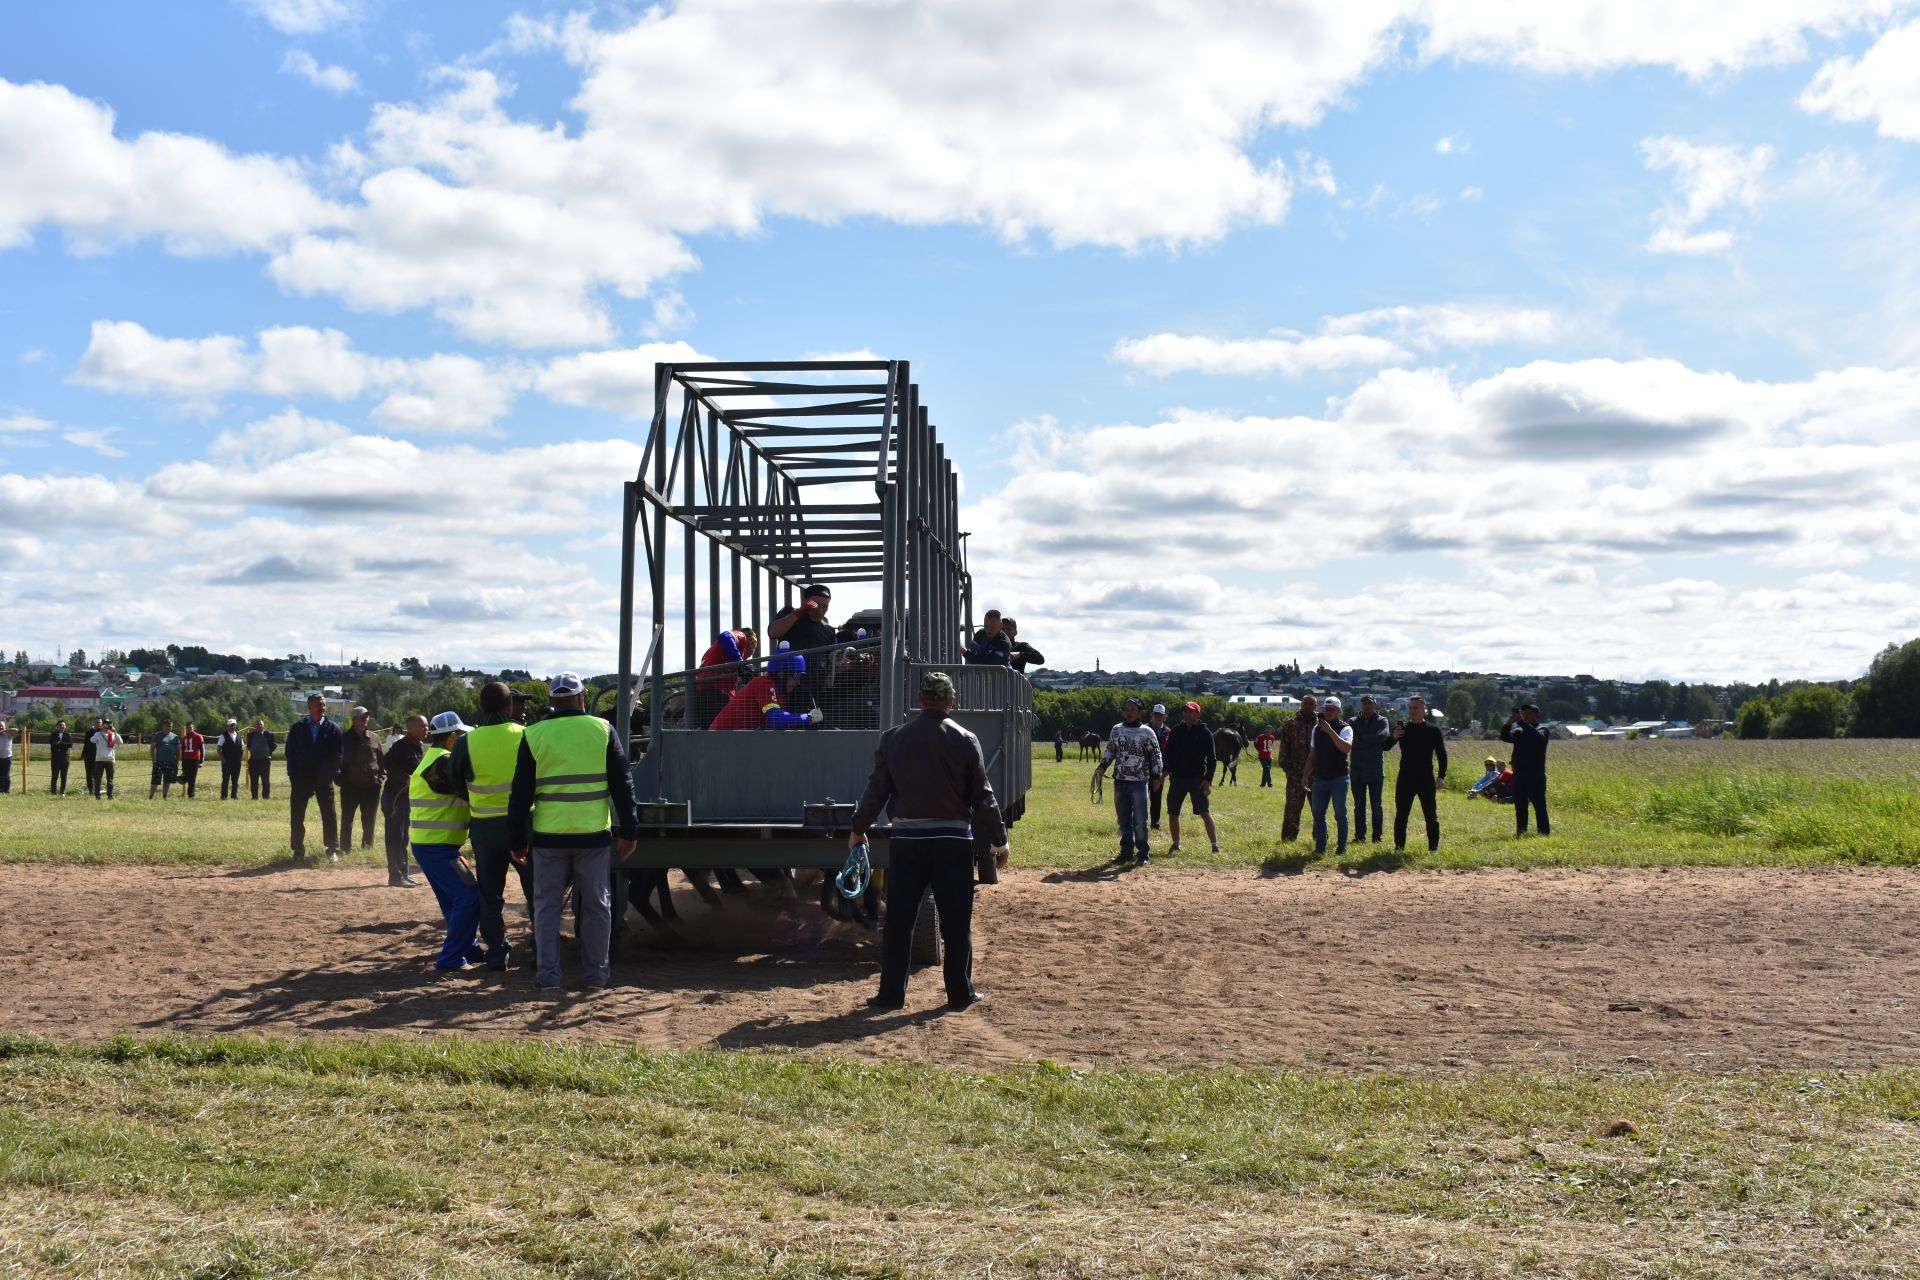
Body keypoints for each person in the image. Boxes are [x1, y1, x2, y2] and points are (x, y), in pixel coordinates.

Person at [852, 669, 1009, 1013]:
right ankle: (959, 994)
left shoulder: (893, 739)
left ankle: (890, 996)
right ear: (951, 702)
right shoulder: (966, 739)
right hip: (953, 843)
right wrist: (999, 840)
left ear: (920, 701)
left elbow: (876, 789)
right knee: (956, 923)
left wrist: (858, 827)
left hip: (907, 842)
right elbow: (983, 796)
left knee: (899, 922)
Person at [507, 671, 640, 992]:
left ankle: (548, 977)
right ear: (582, 699)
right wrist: (629, 830)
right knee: (597, 906)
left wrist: (516, 839)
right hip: (592, 836)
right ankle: (596, 977)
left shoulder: (534, 734)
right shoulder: (602, 729)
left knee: (547, 907)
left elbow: (520, 794)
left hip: (548, 838)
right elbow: (623, 785)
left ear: (552, 702)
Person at [442, 681, 531, 969]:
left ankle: (497, 953)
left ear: (481, 707)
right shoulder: (526, 735)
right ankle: (542, 950)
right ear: (509, 706)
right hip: (525, 828)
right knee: (537, 891)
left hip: (485, 829)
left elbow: (455, 781)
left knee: (490, 894)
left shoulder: (468, 742)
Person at [408, 710, 483, 971]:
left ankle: (470, 949)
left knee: (454, 901)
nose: (464, 741)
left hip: (428, 843)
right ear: (451, 737)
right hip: (438, 846)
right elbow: (469, 790)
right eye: (461, 736)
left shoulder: (433, 758)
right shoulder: (445, 762)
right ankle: (452, 958)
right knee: (469, 896)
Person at [1092, 696, 1162, 866]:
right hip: (1120, 781)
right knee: (1123, 821)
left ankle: (1143, 854)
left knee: (1140, 821)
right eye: (1127, 709)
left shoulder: (1147, 732)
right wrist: (1102, 767)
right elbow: (1110, 751)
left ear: (1139, 712)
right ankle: (1126, 852)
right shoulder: (1116, 730)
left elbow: (1156, 755)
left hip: (1139, 782)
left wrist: (1156, 776)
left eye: (1132, 710)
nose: (1129, 712)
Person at [285, 693, 343, 863]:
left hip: (324, 780)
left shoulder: (333, 729)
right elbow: (290, 752)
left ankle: (331, 849)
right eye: (318, 704)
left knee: (329, 814)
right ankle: (297, 850)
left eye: (323, 704)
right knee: (297, 815)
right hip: (301, 779)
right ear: (309, 707)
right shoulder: (298, 728)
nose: (322, 707)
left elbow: (338, 755)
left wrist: (330, 775)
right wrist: (293, 776)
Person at [1387, 695, 1449, 853]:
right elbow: (1385, 746)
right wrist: (1394, 736)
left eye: (1416, 708)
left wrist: (1441, 776)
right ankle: (1399, 848)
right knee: (1401, 814)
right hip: (1405, 777)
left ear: (1424, 710)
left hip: (1425, 777)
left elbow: (1442, 754)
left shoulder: (1433, 730)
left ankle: (1433, 849)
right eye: (1410, 708)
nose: (1412, 711)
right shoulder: (1402, 729)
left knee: (1430, 814)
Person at [709, 649, 824, 729]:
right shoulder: (764, 683)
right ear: (781, 674)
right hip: (720, 737)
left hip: (733, 738)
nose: (798, 682)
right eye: (796, 676)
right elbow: (776, 719)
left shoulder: (780, 692)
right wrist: (809, 717)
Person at [768, 583, 836, 712]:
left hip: (816, 690)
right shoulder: (791, 613)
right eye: (816, 605)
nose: (820, 611)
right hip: (787, 687)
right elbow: (773, 632)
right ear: (806, 602)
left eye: (825, 606)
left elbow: (833, 659)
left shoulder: (828, 629)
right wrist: (799, 612)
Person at [1163, 701, 1220, 855]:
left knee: (1204, 812)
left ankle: (1215, 845)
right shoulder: (1176, 731)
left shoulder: (1205, 732)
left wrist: (1207, 780)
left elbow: (1212, 759)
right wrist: (1165, 771)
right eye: (1185, 712)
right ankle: (1176, 844)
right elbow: (1169, 754)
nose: (1187, 715)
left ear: (1197, 714)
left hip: (1197, 780)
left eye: (1191, 712)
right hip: (1177, 779)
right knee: (1173, 813)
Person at [381, 714, 427, 888]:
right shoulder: (401, 746)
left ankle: (404, 873)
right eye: (422, 726)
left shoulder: (418, 747)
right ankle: (394, 876)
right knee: (395, 837)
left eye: (427, 726)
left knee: (403, 837)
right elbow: (386, 763)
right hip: (394, 798)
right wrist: (404, 778)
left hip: (406, 799)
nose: (426, 729)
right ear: (412, 728)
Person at [1305, 695, 1354, 857]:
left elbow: (1346, 748)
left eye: (1332, 709)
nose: (1329, 712)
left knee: (1340, 814)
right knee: (1318, 814)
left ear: (1339, 711)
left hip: (1339, 777)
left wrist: (1330, 731)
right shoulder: (1315, 729)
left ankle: (1341, 848)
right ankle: (1320, 848)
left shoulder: (1345, 728)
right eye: (1326, 709)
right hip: (1320, 777)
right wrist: (1305, 775)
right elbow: (1313, 753)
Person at [338, 706, 386, 854]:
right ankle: (345, 849)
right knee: (347, 819)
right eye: (362, 717)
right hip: (350, 786)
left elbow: (382, 760)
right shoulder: (343, 738)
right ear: (354, 720)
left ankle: (367, 849)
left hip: (371, 786)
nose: (366, 719)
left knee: (369, 820)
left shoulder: (374, 737)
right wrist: (340, 780)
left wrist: (380, 778)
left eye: (367, 717)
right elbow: (336, 761)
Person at [1500, 703, 1552, 836]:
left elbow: (1537, 737)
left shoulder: (1542, 730)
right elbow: (1504, 737)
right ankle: (1521, 832)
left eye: (1528, 714)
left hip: (1535, 776)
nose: (1525, 717)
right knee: (1520, 807)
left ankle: (1544, 833)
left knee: (1539, 806)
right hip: (1519, 775)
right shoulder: (1519, 731)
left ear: (1536, 715)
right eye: (1523, 714)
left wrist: (1521, 722)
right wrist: (1509, 723)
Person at [692, 627, 757, 728]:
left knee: (708, 734)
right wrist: (741, 664)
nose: (750, 655)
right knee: (725, 732)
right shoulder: (743, 636)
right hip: (716, 694)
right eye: (754, 648)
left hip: (702, 694)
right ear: (752, 643)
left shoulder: (712, 651)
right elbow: (725, 636)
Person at [1349, 696, 1392, 844]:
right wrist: (1371, 740)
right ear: (1361, 705)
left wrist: (1361, 737)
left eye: (1369, 703)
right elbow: (1350, 741)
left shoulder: (1382, 721)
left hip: (1375, 770)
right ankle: (1360, 837)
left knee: (1376, 806)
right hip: (1357, 770)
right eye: (1364, 703)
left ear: (1375, 705)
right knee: (1359, 806)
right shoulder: (1352, 721)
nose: (1367, 706)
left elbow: (1383, 736)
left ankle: (1377, 838)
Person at [1275, 694, 1317, 841]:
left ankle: (1319, 838)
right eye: (1305, 703)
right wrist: (1289, 769)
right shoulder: (1291, 724)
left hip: (1315, 773)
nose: (1308, 706)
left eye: (1311, 704)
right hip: (1295, 773)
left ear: (1315, 706)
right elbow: (1284, 749)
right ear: (1301, 704)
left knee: (1318, 808)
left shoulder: (1321, 724)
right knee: (1292, 807)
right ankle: (1288, 837)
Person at [1146, 704, 1172, 830]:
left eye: (1160, 715)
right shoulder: (1143, 729)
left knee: (1156, 799)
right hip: (1143, 770)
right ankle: (1140, 822)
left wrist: (1166, 770)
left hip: (1160, 771)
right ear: (1152, 715)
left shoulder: (1168, 732)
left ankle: (1155, 823)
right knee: (1141, 798)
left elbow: (1171, 753)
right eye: (1156, 714)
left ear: (1164, 717)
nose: (1157, 717)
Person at [148, 719, 181, 800]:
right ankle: (151, 797)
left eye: (170, 726)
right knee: (155, 780)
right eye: (167, 726)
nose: (169, 728)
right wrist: (154, 761)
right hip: (159, 761)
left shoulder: (175, 737)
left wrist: (177, 761)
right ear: (163, 726)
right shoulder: (157, 735)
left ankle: (164, 796)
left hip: (170, 762)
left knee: (167, 780)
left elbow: (178, 750)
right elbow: (152, 748)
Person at [90, 718, 121, 799]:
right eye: (105, 724)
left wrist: (115, 731)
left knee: (110, 779)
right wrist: (98, 732)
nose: (107, 725)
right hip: (100, 759)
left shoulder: (113, 734)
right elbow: (92, 740)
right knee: (98, 778)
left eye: (109, 724)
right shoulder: (98, 734)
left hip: (110, 759)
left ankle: (110, 795)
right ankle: (97, 795)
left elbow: (120, 742)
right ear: (102, 725)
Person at [246, 718, 277, 799]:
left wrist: (268, 753)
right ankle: (254, 797)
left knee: (265, 780)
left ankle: (266, 797)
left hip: (265, 761)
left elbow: (274, 745)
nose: (259, 726)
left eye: (261, 724)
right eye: (257, 724)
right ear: (255, 726)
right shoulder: (250, 735)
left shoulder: (269, 734)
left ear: (263, 726)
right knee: (254, 780)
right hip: (253, 761)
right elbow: (249, 746)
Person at [217, 719, 244, 800]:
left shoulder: (239, 735)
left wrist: (240, 758)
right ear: (227, 726)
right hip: (227, 761)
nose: (232, 726)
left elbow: (242, 747)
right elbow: (218, 749)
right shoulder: (223, 735)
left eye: (234, 725)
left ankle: (234, 796)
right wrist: (223, 760)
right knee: (225, 779)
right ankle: (224, 796)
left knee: (235, 780)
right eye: (231, 725)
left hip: (237, 762)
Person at [178, 721, 206, 798]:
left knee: (192, 778)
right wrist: (182, 762)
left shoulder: (198, 736)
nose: (189, 729)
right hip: (186, 760)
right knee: (185, 777)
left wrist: (201, 762)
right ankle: (186, 794)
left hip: (194, 760)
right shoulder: (184, 738)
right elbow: (183, 751)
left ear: (193, 727)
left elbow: (202, 749)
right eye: (187, 728)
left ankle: (191, 795)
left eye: (190, 727)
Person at [47, 719, 73, 795]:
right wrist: (62, 745)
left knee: (64, 776)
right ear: (57, 727)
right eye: (60, 725)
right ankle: (53, 792)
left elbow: (70, 744)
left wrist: (60, 743)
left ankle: (62, 792)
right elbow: (52, 743)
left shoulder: (67, 735)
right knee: (54, 776)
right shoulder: (53, 735)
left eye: (63, 725)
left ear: (65, 727)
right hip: (55, 759)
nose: (62, 726)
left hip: (65, 759)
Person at [81, 717, 100, 797]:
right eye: (97, 722)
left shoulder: (103, 732)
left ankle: (97, 790)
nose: (98, 723)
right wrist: (82, 755)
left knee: (97, 774)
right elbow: (86, 744)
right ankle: (90, 791)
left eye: (99, 722)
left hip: (99, 756)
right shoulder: (88, 732)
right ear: (94, 722)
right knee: (89, 774)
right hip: (88, 756)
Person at [0, 718, 12, 794]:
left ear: (5, 727)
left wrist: (3, 731)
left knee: (6, 775)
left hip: (7, 757)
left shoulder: (8, 734)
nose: (0, 727)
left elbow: (16, 730)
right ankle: (0, 789)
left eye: (1, 726)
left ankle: (6, 790)